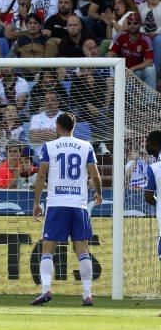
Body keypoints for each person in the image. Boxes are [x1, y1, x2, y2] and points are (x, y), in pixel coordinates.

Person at [31, 111, 103, 306]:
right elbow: (95, 175)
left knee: (48, 249)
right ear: (74, 126)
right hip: (79, 205)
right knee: (82, 249)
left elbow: (41, 176)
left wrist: (36, 202)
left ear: (57, 126)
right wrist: (99, 193)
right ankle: (87, 294)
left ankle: (46, 289)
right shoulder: (86, 146)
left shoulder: (49, 146)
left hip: (56, 204)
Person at [143, 130, 161, 262]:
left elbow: (148, 197)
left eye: (147, 142)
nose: (145, 145)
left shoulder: (155, 168)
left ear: (154, 144)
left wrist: (158, 202)